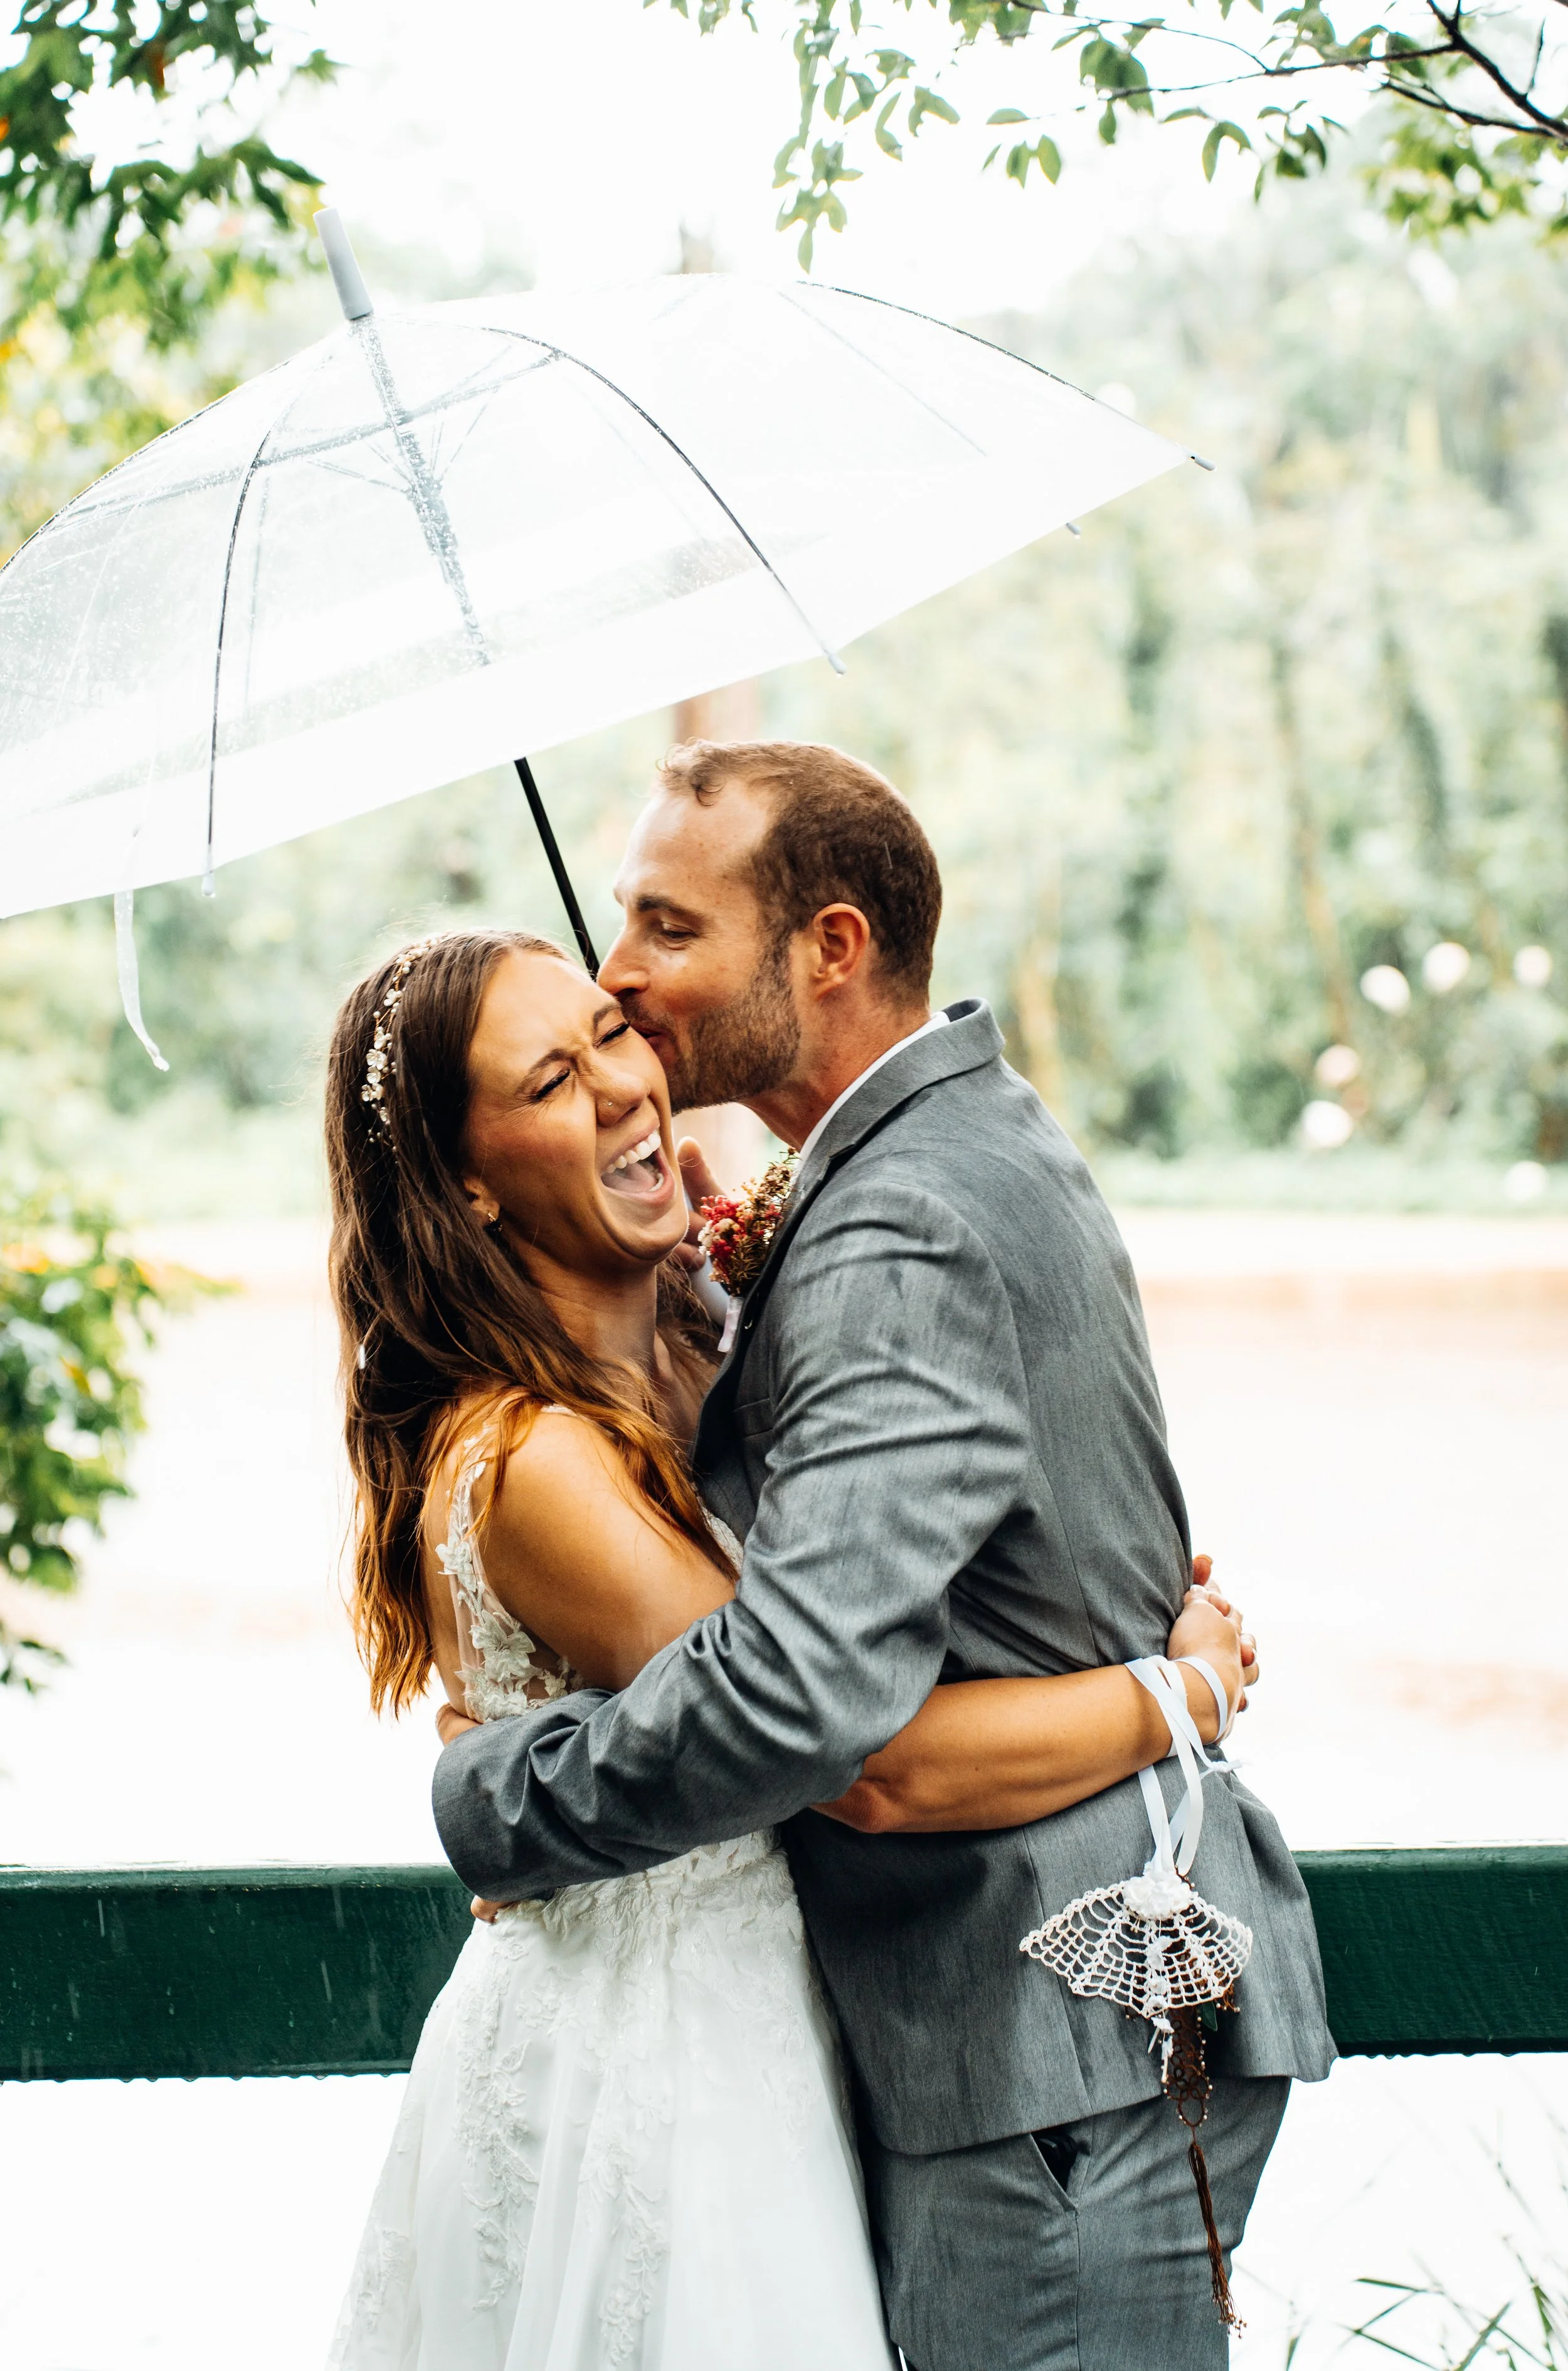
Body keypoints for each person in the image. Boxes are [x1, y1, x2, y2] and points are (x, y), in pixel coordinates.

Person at [432, 740, 1337, 2371]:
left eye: (668, 926)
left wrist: (512, 1792)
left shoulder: (894, 1225)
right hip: (1046, 2033)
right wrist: (718, 1303)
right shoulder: (915, 1167)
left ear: (829, 948)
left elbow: (821, 1720)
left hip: (1048, 2025)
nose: (622, 979)